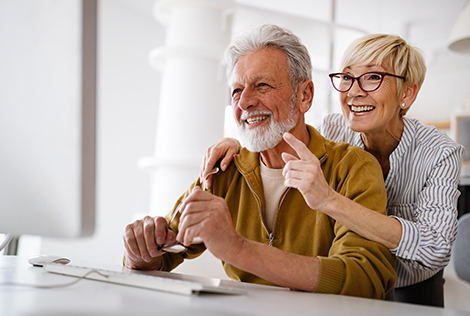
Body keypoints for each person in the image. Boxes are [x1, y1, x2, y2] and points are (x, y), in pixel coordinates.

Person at [123, 25, 396, 299]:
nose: (245, 103)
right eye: (236, 91)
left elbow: (365, 278)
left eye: (262, 85)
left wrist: (239, 249)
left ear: (304, 95)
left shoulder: (353, 167)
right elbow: (163, 252)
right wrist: (140, 252)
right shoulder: (223, 171)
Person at [201, 33, 466, 307]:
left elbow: (435, 247)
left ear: (407, 93)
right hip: (346, 283)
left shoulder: (440, 153)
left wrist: (330, 200)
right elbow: (284, 125)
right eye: (347, 78)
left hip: (412, 283)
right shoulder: (333, 129)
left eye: (373, 77)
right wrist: (242, 141)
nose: (354, 91)